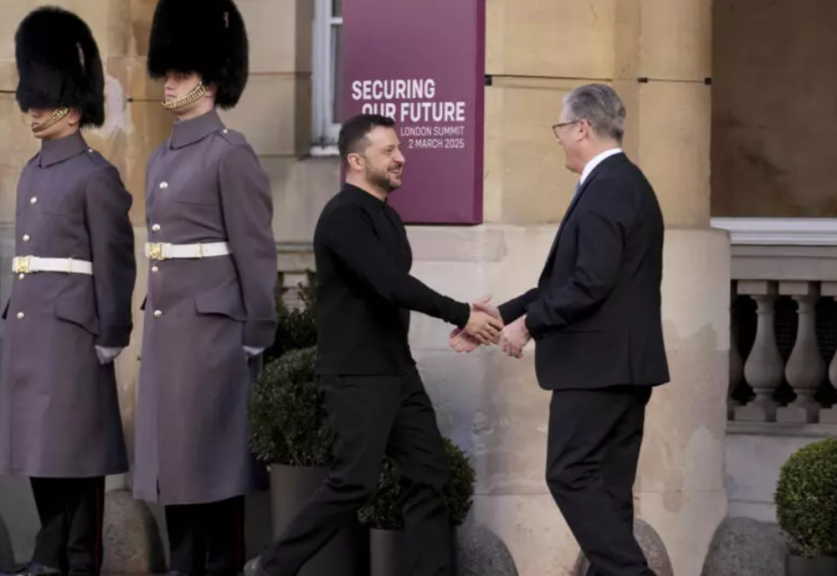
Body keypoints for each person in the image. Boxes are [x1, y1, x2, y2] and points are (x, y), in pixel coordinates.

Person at [242, 114, 502, 576]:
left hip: (396, 369)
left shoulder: (387, 215)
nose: (401, 158)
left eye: (399, 148)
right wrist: (461, 313)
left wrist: (463, 314)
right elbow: (390, 284)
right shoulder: (343, 216)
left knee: (429, 474)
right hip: (356, 374)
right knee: (352, 483)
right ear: (356, 161)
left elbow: (396, 287)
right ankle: (272, 568)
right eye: (389, 151)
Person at [452, 84, 669, 576]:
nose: (558, 138)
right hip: (622, 366)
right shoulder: (626, 182)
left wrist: (529, 324)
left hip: (597, 368)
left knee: (569, 474)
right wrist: (499, 317)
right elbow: (567, 282)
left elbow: (590, 283)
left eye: (561, 127)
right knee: (608, 491)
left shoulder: (607, 187)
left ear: (582, 128)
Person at [133, 0, 278, 575]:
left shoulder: (229, 153)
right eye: (167, 73)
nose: (169, 83)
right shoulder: (160, 157)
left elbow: (255, 250)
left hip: (214, 336)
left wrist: (257, 326)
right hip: (169, 330)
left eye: (181, 73)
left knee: (214, 467)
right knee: (173, 464)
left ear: (210, 82)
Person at [0, 6, 136, 576]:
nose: (33, 110)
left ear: (72, 106)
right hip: (32, 331)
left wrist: (112, 329)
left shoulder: (95, 175)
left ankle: (78, 560)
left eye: (43, 100)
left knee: (77, 455)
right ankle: (49, 555)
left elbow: (115, 260)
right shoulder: (32, 173)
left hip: (74, 334)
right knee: (40, 451)